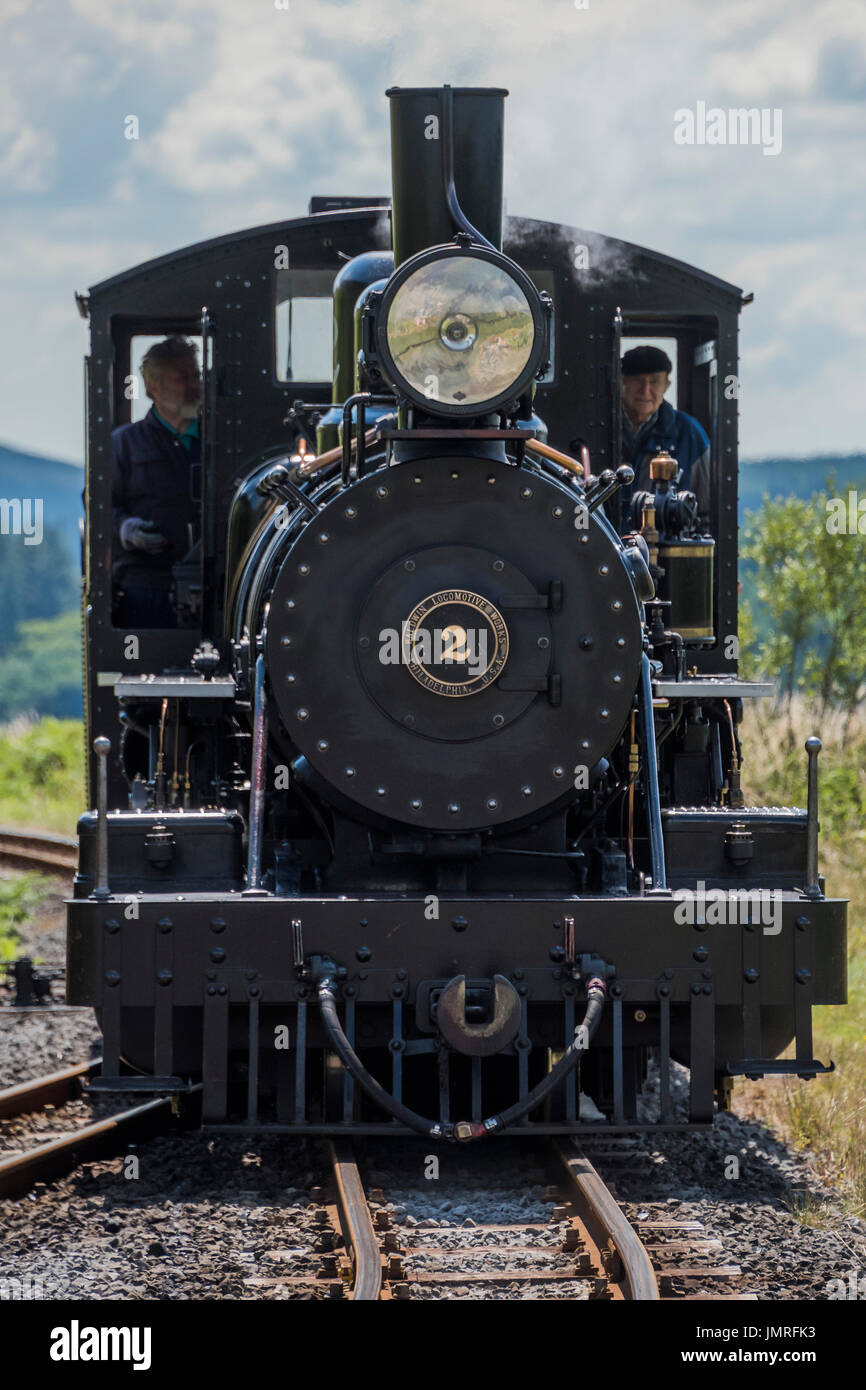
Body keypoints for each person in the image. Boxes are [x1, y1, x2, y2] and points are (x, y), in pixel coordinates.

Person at [111, 336, 202, 627]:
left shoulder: (222, 442)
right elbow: (100, 506)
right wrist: (129, 530)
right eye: (182, 378)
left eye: (196, 376)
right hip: (147, 589)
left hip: (217, 589)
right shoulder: (124, 444)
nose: (193, 385)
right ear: (153, 388)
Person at [619, 345, 711, 524]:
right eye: (637, 380)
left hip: (667, 550)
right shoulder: (600, 429)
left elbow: (707, 512)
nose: (645, 390)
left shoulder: (690, 433)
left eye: (654, 382)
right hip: (603, 548)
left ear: (666, 385)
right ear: (622, 381)